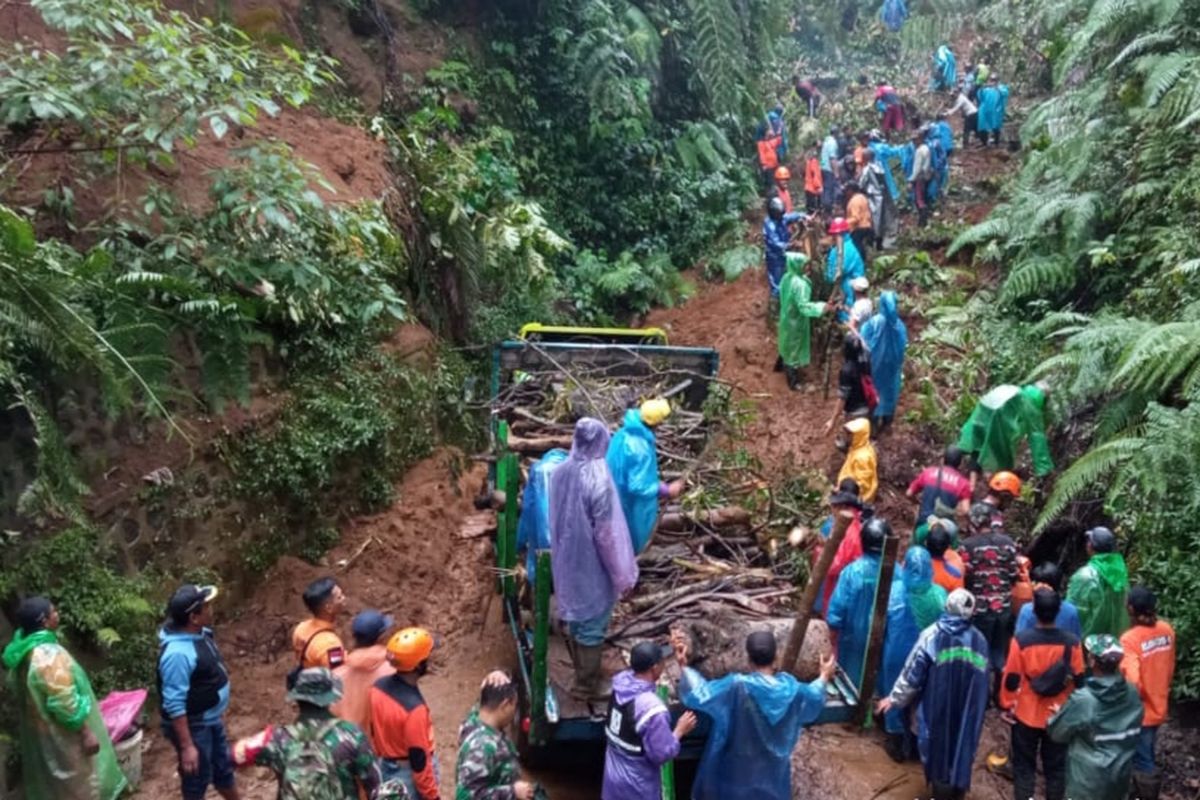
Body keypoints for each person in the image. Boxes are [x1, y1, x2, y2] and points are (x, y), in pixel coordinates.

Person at [675, 630, 835, 799]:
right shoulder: (793, 691)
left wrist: (685, 667)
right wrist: (824, 676)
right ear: (776, 657)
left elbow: (700, 694)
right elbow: (814, 696)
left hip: (736, 776)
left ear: (748, 659)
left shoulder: (736, 686)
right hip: (773, 779)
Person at [2, 597, 126, 800]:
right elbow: (65, 703)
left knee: (59, 786)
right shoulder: (48, 656)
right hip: (66, 735)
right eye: (54, 611)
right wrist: (85, 732)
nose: (57, 614)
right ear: (44, 621)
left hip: (43, 733)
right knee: (82, 784)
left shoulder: (23, 651)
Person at [550, 417, 638, 700]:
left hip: (567, 558)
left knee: (578, 617)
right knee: (592, 621)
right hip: (591, 562)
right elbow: (607, 535)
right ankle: (586, 684)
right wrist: (621, 574)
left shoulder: (561, 472)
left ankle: (582, 672)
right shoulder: (599, 479)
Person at [876, 589, 990, 800]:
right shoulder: (980, 641)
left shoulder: (931, 636)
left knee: (938, 748)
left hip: (935, 706)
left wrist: (894, 699)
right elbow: (984, 682)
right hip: (967, 708)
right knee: (960, 747)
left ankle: (941, 792)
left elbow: (912, 675)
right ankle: (957, 791)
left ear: (947, 607)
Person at [239, 667, 383, 800]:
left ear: (297, 698)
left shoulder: (276, 739)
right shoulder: (351, 735)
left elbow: (230, 757)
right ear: (331, 698)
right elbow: (376, 787)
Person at [1000, 589, 1085, 800]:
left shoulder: (1021, 641)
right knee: (1056, 769)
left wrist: (1008, 705)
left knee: (1024, 767)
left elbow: (1011, 678)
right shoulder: (1072, 642)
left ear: (1034, 611)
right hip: (1058, 715)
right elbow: (1079, 679)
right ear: (1057, 611)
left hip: (1027, 713)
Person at [158, 583, 240, 800]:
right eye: (206, 606)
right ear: (194, 617)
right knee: (196, 779)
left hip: (210, 719)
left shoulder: (199, 633)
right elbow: (174, 703)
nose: (211, 609)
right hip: (195, 725)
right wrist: (187, 746)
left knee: (223, 769)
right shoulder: (177, 655)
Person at [1047, 635, 1145, 800]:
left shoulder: (1084, 700)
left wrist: (1064, 713)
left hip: (1087, 782)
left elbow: (1056, 733)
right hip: (1120, 777)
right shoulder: (1132, 692)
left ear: (1092, 661)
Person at [602, 641, 697, 800]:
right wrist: (680, 731)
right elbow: (661, 755)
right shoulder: (651, 709)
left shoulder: (620, 684)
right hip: (636, 784)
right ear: (655, 668)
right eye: (662, 661)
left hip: (613, 775)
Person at [881, 548, 947, 762]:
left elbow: (880, 626)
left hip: (896, 653)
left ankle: (896, 743)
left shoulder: (892, 592)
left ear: (905, 566)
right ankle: (918, 748)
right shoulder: (939, 595)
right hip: (926, 655)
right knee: (920, 697)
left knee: (895, 692)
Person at [369, 627, 441, 799]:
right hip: (408, 775)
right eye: (427, 657)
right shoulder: (415, 709)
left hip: (386, 766)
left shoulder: (377, 687)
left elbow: (373, 730)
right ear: (418, 665)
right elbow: (419, 762)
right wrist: (433, 797)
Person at [607, 398, 685, 553]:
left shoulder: (622, 434)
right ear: (656, 423)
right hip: (630, 505)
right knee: (631, 542)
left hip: (612, 496)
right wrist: (665, 490)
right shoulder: (640, 448)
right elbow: (637, 486)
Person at [1120, 586, 1175, 799]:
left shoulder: (1130, 639)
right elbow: (1169, 666)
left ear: (1131, 609)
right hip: (1159, 701)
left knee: (1142, 759)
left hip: (1141, 710)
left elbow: (1132, 681)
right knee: (1147, 750)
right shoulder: (1167, 630)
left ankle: (1145, 794)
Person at [958, 506, 1019, 689]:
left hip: (980, 608)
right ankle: (999, 692)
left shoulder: (967, 545)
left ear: (974, 522)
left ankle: (981, 694)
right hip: (1004, 606)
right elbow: (1013, 573)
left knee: (980, 652)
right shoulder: (1008, 543)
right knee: (999, 649)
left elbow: (964, 575)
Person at [827, 517, 890, 687]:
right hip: (885, 640)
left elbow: (836, 611)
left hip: (853, 639)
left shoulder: (852, 572)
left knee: (850, 685)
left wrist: (831, 643)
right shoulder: (898, 572)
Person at [455, 676, 536, 800]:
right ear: (505, 705)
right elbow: (466, 796)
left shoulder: (473, 722)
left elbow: (482, 704)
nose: (514, 712)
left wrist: (493, 676)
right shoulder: (482, 746)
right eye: (514, 705)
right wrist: (513, 792)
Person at [957, 382, 1054, 479]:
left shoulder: (1013, 389)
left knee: (978, 447)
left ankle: (968, 480)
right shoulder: (1031, 406)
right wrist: (1044, 469)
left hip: (981, 417)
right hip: (998, 427)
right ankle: (992, 484)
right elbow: (1037, 438)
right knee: (1002, 461)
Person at [332, 609, 395, 731]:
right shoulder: (392, 672)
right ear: (381, 637)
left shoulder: (337, 674)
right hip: (377, 745)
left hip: (346, 742)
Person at [776, 252, 832, 390]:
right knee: (794, 349)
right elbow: (804, 307)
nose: (807, 267)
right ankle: (794, 383)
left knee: (785, 343)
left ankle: (779, 366)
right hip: (796, 322)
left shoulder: (787, 277)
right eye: (804, 265)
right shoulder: (800, 284)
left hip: (786, 317)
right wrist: (822, 307)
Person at [515, 448, 568, 586]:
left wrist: (519, 542)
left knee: (539, 576)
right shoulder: (574, 470)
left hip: (540, 540)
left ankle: (537, 589)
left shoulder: (538, 469)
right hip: (569, 541)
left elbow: (528, 506)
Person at [1066, 526, 1130, 638]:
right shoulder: (1121, 573)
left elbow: (1071, 611)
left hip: (1090, 645)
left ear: (1090, 546)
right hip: (1118, 643)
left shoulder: (1084, 576)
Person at [815, 480, 868, 614]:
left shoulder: (849, 531)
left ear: (843, 507)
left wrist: (820, 549)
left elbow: (833, 566)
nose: (832, 509)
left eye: (835, 505)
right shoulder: (854, 524)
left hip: (838, 588)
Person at [859, 291, 907, 436]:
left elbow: (863, 340)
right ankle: (887, 423)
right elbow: (902, 348)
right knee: (890, 393)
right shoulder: (898, 326)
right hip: (891, 370)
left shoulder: (874, 323)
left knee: (874, 393)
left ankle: (873, 427)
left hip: (875, 367)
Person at [907, 445, 972, 527]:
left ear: (943, 460)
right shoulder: (963, 483)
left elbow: (909, 493)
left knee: (916, 537)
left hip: (925, 521)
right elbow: (966, 510)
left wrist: (918, 503)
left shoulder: (928, 472)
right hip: (945, 527)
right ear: (960, 464)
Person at [293, 577, 348, 673]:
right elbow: (338, 675)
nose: (344, 598)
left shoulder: (301, 628)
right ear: (329, 608)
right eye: (339, 597)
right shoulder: (331, 645)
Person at [763, 196, 807, 314]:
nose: (781, 217)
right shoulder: (770, 225)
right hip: (774, 257)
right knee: (776, 282)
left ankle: (786, 302)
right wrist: (791, 244)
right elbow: (775, 243)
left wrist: (803, 216)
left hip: (784, 255)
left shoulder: (780, 218)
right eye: (779, 215)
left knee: (786, 278)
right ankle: (775, 309)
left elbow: (790, 216)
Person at [1015, 563, 1082, 638]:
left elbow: (1019, 639)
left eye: (1036, 582)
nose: (1032, 584)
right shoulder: (1071, 611)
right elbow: (1076, 640)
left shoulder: (1027, 610)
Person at [824, 334, 873, 435]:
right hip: (868, 407)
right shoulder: (866, 361)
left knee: (847, 444)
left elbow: (842, 398)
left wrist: (832, 421)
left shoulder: (847, 370)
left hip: (854, 412)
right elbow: (864, 347)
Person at [824, 219, 866, 323]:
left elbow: (833, 275)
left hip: (849, 290)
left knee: (848, 319)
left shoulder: (843, 250)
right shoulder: (850, 246)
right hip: (855, 289)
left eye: (834, 234)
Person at [858, 148, 897, 249]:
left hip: (872, 197)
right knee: (882, 218)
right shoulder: (879, 166)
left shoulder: (867, 169)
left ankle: (873, 242)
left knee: (873, 219)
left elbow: (861, 183)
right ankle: (881, 242)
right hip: (882, 195)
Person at [836, 418, 877, 504]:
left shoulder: (862, 458)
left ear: (859, 436)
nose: (846, 436)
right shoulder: (859, 447)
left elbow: (861, 485)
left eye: (849, 434)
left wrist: (845, 493)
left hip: (856, 498)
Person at [925, 522, 965, 593]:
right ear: (948, 547)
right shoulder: (955, 575)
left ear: (926, 543)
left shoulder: (915, 567)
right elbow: (958, 599)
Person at [976, 75, 1010, 147]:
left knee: (996, 127)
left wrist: (997, 88)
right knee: (983, 127)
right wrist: (982, 88)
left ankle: (996, 143)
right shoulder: (986, 89)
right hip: (985, 110)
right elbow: (980, 96)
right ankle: (984, 143)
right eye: (991, 80)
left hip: (995, 111)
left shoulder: (1001, 88)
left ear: (997, 81)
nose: (992, 82)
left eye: (994, 80)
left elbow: (1005, 93)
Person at [908, 127, 932, 227]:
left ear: (921, 138)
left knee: (919, 200)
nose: (914, 141)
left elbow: (917, 168)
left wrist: (911, 180)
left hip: (919, 177)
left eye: (915, 139)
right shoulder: (926, 148)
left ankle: (922, 222)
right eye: (913, 140)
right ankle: (924, 220)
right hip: (926, 176)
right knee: (923, 197)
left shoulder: (919, 151)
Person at [844, 183, 873, 262]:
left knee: (857, 249)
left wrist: (844, 223)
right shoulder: (863, 198)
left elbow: (856, 218)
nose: (845, 193)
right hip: (868, 226)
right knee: (865, 248)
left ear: (850, 190)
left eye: (847, 190)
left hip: (858, 228)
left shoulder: (854, 201)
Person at [820, 125, 841, 212]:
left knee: (826, 188)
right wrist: (836, 173)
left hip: (823, 168)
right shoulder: (833, 142)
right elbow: (832, 158)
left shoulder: (826, 141)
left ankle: (825, 207)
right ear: (836, 133)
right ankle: (829, 208)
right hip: (829, 169)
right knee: (830, 189)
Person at [803, 144, 823, 213]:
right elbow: (815, 174)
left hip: (808, 188)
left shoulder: (808, 162)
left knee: (810, 210)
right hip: (812, 190)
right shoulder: (814, 161)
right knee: (815, 211)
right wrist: (818, 187)